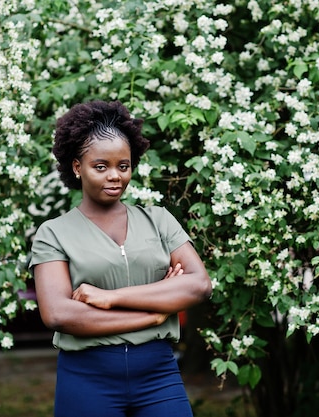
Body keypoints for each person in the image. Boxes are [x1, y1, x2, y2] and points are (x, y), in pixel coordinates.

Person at [29, 100, 212, 417]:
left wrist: (109, 298)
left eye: (123, 166)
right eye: (101, 167)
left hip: (159, 376)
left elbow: (199, 285)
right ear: (78, 167)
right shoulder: (53, 233)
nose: (114, 176)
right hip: (87, 378)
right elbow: (59, 313)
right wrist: (153, 315)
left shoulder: (159, 221)